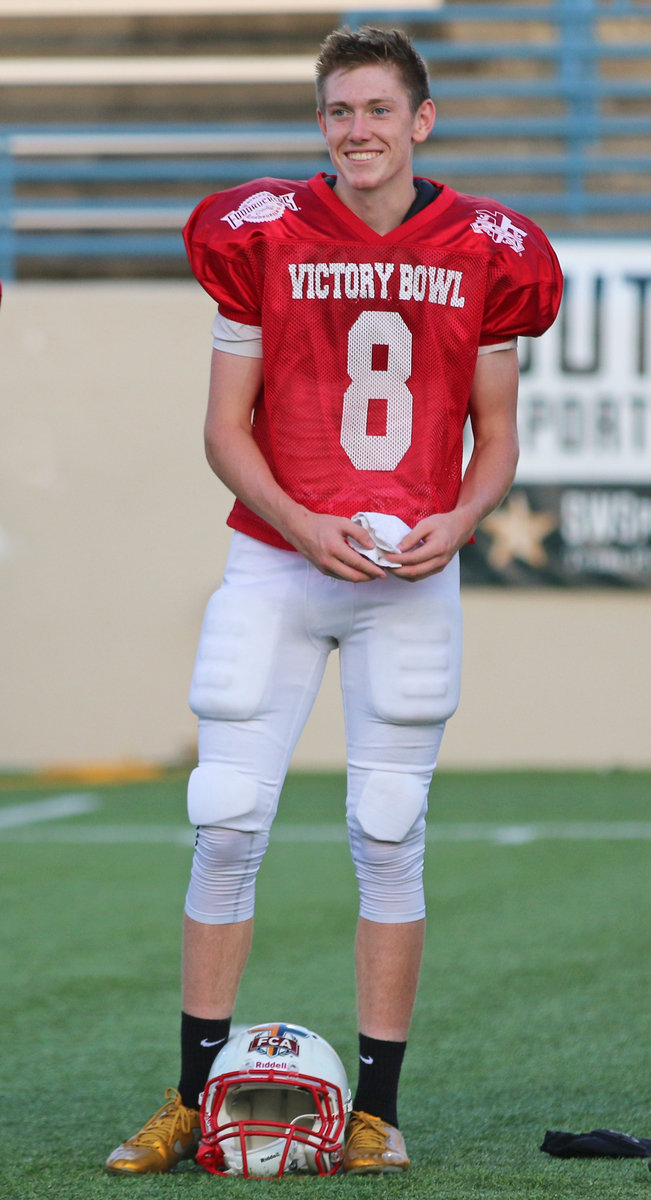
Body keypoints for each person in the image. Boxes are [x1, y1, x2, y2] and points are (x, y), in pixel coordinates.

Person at [106, 25, 563, 1177]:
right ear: (323, 125)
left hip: (410, 571)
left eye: (376, 109)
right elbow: (223, 427)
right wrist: (304, 522)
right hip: (277, 556)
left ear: (422, 120)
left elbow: (497, 435)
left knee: (389, 832)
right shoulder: (258, 232)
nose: (356, 130)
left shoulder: (491, 248)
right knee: (222, 816)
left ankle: (377, 1111)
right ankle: (190, 1093)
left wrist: (458, 522)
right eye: (338, 112)